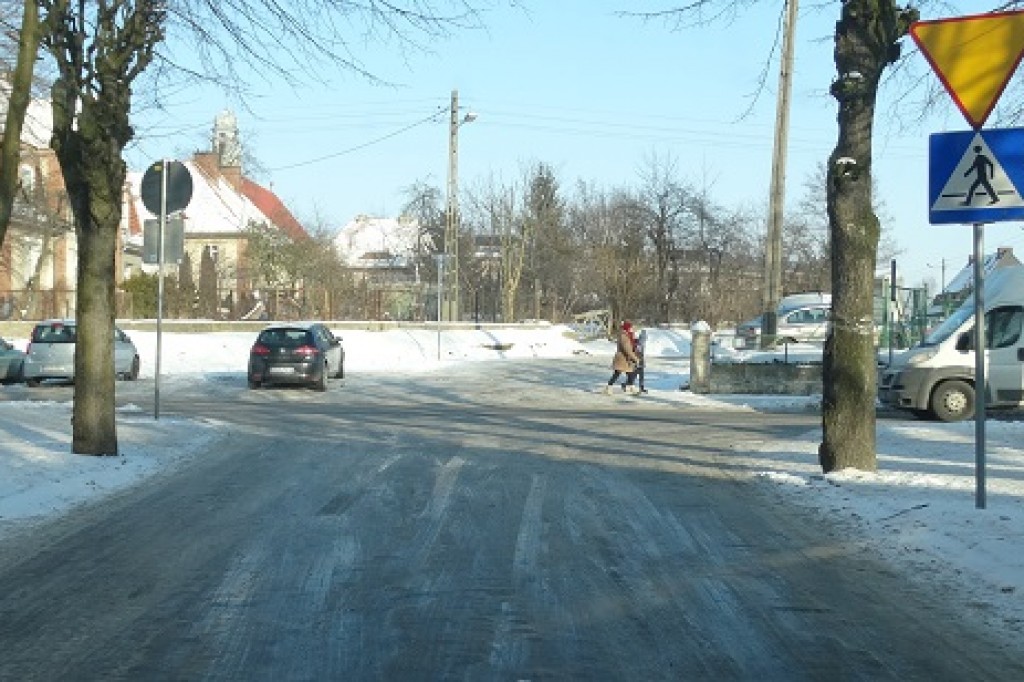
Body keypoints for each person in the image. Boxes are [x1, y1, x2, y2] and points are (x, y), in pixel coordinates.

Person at [604, 320, 640, 394]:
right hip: (622, 358)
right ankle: (609, 387)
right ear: (627, 328)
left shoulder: (629, 335)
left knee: (631, 373)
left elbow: (631, 345)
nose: (632, 329)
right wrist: (635, 358)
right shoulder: (624, 336)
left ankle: (629, 387)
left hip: (626, 359)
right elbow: (627, 349)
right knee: (618, 373)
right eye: (631, 327)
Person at [633, 327, 648, 393]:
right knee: (635, 374)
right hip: (638, 362)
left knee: (640, 375)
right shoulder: (639, 344)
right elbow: (638, 353)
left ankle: (641, 387)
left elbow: (642, 354)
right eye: (644, 338)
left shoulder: (642, 344)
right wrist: (638, 362)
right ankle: (627, 384)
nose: (645, 340)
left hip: (640, 362)